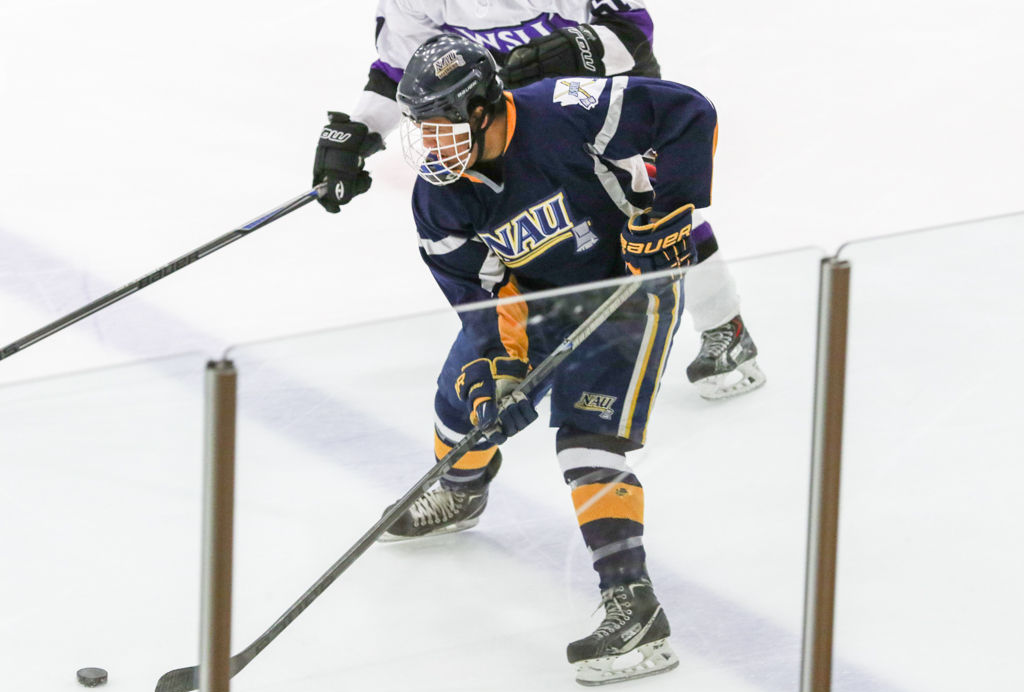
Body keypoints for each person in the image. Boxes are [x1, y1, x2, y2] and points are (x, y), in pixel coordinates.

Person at [379, 32, 718, 686]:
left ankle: (634, 605)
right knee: (458, 407)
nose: (431, 142)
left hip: (625, 287)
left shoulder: (567, 110)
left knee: (585, 443)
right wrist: (497, 374)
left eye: (445, 124)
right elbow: (483, 297)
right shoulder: (439, 200)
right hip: (536, 300)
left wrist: (671, 210)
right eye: (421, 127)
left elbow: (686, 114)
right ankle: (460, 492)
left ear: (485, 108)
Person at [311, 0, 765, 399]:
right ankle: (551, 331)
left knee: (647, 203)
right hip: (489, 116)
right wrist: (360, 131)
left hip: (591, 91)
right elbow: (401, 71)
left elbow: (632, 33)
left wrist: (573, 49)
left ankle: (725, 325)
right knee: (531, 215)